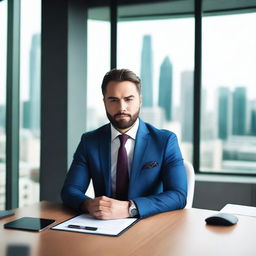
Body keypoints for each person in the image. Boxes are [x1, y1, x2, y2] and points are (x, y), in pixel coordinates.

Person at [61, 68, 187, 220]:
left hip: (149, 225)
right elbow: (70, 190)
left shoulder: (165, 141)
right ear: (104, 102)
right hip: (103, 226)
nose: (122, 108)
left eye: (129, 99)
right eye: (113, 100)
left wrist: (130, 208)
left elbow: (178, 195)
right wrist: (88, 204)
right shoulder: (90, 141)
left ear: (140, 100)